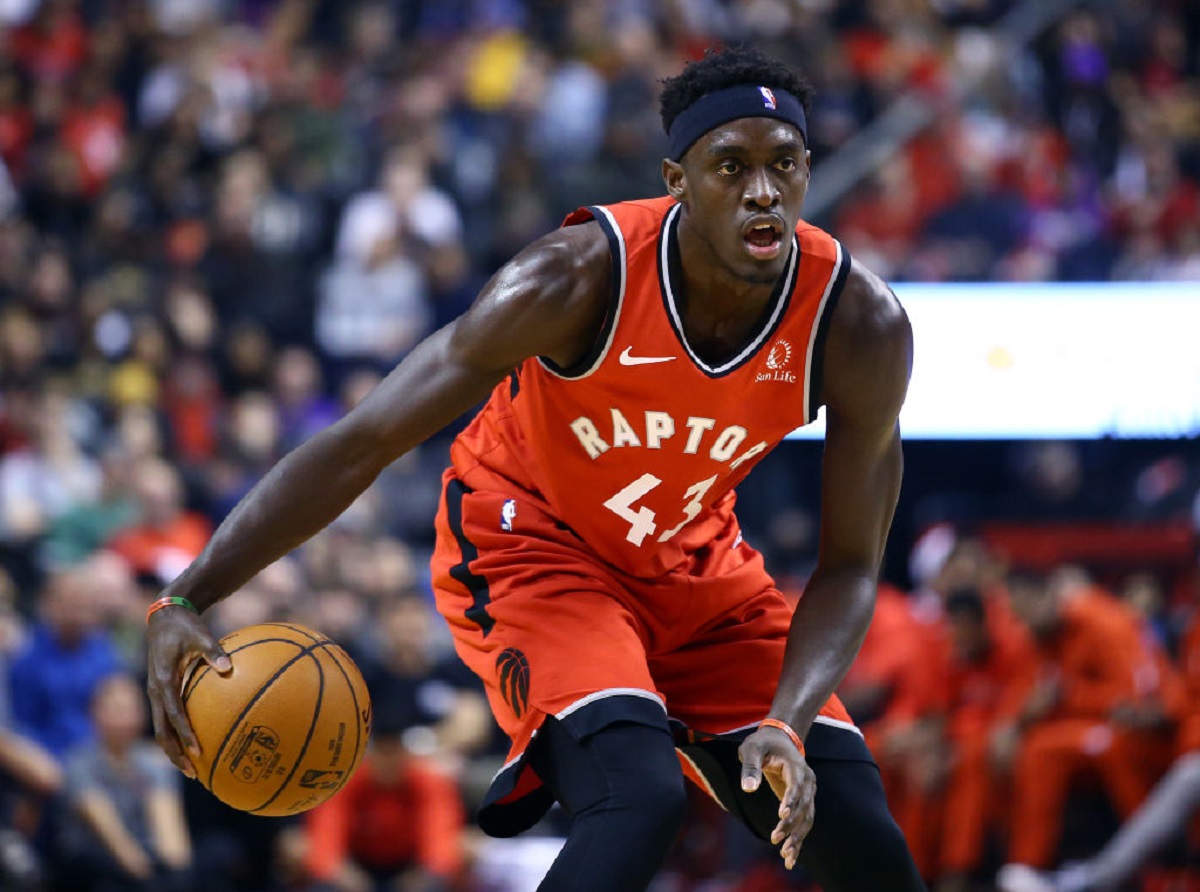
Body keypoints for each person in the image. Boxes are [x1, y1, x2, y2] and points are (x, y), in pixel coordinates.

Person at [146, 46, 922, 892]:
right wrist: (189, 594)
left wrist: (789, 719)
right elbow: (366, 437)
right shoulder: (576, 278)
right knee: (637, 798)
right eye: (730, 166)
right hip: (529, 548)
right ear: (677, 180)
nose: (762, 190)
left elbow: (851, 565)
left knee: (865, 846)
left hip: (695, 569)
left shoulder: (858, 325)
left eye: (784, 164)